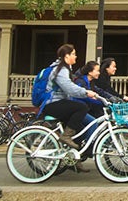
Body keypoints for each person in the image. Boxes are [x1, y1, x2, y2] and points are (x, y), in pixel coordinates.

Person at [42, 44, 96, 172]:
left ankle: (72, 159)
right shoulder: (60, 70)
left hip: (60, 103)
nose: (76, 56)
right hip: (52, 104)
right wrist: (86, 92)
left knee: (80, 129)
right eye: (74, 54)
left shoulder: (66, 69)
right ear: (67, 56)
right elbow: (69, 88)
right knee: (82, 108)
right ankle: (66, 136)